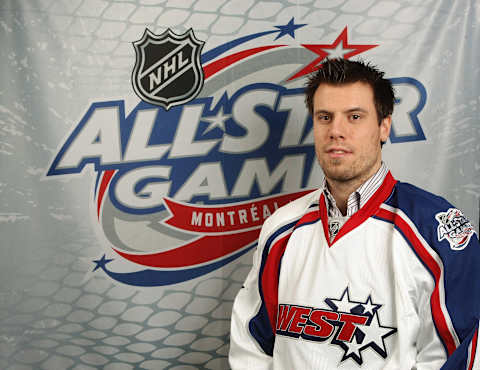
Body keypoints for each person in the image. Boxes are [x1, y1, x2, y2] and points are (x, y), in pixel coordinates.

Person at [229, 58, 480, 369]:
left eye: (354, 116)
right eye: (324, 117)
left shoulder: (435, 229)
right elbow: (252, 343)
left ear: (383, 127)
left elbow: (460, 355)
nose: (336, 131)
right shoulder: (281, 228)